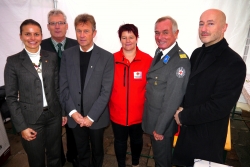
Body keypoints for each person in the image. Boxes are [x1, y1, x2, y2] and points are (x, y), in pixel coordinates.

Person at [173, 9, 246, 166]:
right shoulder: (197, 53)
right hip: (187, 135)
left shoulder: (234, 62)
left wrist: (183, 116)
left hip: (207, 141)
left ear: (224, 27)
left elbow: (219, 107)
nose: (204, 29)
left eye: (210, 23)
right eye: (201, 24)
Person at [4, 19, 65, 167]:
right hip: (31, 119)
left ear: (41, 35)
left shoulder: (51, 57)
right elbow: (11, 97)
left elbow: (57, 88)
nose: (32, 38)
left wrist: (62, 112)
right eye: (28, 34)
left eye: (36, 34)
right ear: (21, 36)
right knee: (36, 158)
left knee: (55, 155)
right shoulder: (13, 62)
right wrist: (21, 127)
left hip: (53, 116)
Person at [59, 13, 114, 167]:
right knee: (81, 150)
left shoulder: (106, 57)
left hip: (95, 117)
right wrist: (72, 113)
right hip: (75, 116)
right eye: (79, 31)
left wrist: (90, 117)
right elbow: (63, 86)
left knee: (97, 151)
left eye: (86, 31)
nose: (82, 35)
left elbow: (106, 91)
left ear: (94, 33)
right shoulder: (67, 55)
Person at [142, 16, 191, 167]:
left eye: (165, 32)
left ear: (176, 33)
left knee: (163, 162)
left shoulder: (180, 62)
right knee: (159, 158)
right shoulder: (161, 51)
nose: (160, 37)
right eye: (157, 33)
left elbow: (172, 100)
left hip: (162, 124)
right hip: (154, 118)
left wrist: (160, 128)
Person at [109, 24, 152, 167]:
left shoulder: (147, 60)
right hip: (117, 113)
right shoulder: (111, 60)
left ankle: (135, 164)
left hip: (138, 114)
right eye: (124, 37)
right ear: (120, 39)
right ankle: (121, 164)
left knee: (137, 140)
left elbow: (152, 87)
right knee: (119, 141)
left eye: (131, 37)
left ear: (137, 38)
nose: (128, 41)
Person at [40, 9, 78, 167]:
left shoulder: (76, 44)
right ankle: (58, 159)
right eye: (53, 23)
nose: (57, 26)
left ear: (66, 25)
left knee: (73, 130)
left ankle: (73, 156)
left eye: (60, 23)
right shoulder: (40, 46)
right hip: (51, 97)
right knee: (53, 134)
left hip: (72, 96)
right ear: (48, 26)